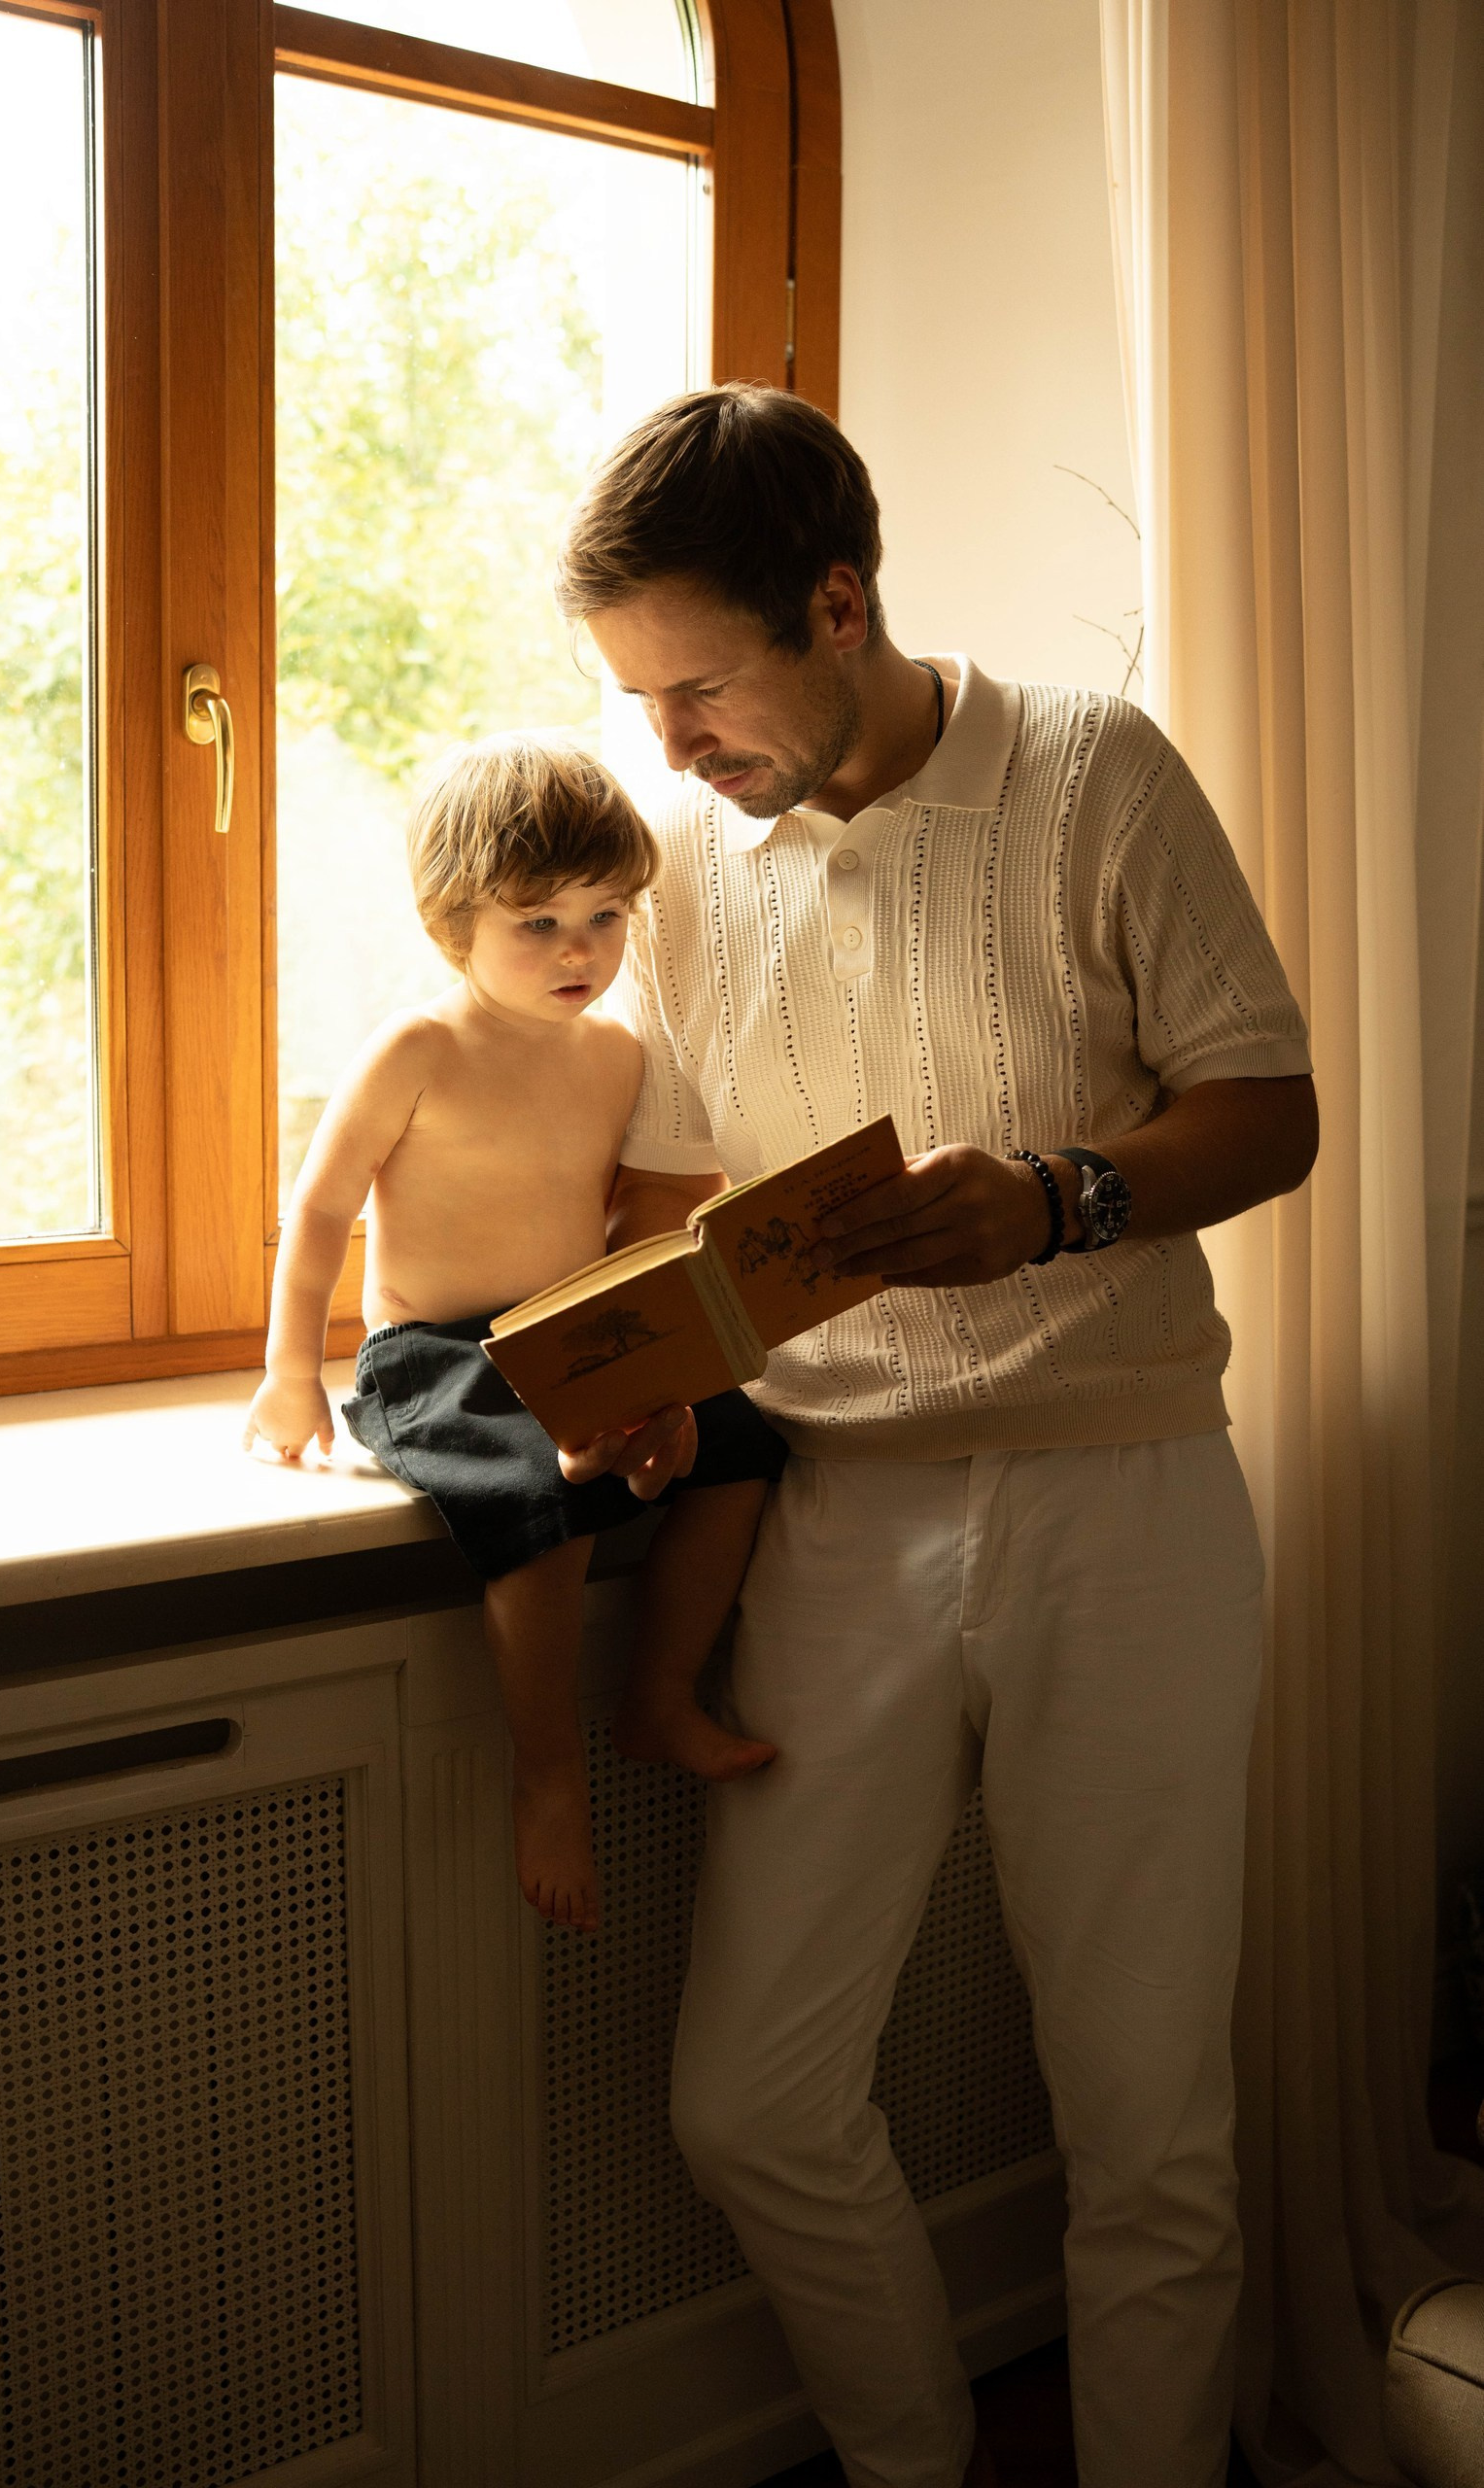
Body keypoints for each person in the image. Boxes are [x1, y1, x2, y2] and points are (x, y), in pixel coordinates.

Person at [552, 385, 1319, 2488]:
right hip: (836, 1512)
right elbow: (679, 1198)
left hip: (1125, 1500)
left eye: (697, 686)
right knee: (753, 2098)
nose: (670, 746)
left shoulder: (1090, 770)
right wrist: (634, 1379)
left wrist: (1054, 1192)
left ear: (838, 599)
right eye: (634, 699)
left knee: (1140, 2109)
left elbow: (1271, 1104)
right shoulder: (697, 873)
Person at [241, 734, 785, 1936]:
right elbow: (320, 1208)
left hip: (568, 1334)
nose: (579, 948)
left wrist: (659, 1383)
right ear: (453, 925)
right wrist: (291, 1374)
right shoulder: (418, 1049)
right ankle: (548, 1778)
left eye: (603, 914)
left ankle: (657, 1694)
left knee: (747, 1445)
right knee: (537, 1499)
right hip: (431, 1355)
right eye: (536, 922)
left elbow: (636, 1232)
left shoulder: (620, 1057)